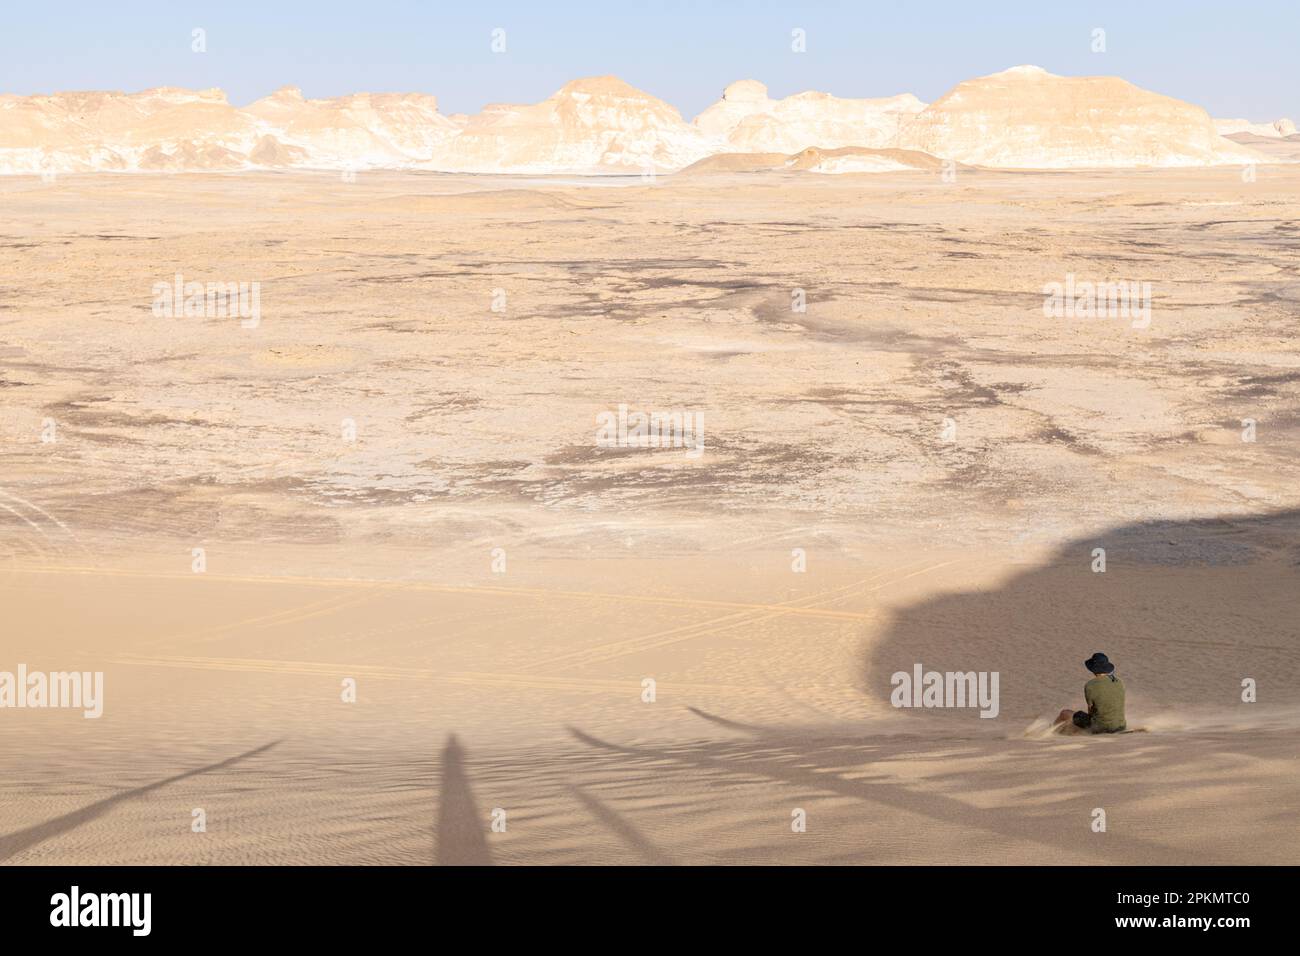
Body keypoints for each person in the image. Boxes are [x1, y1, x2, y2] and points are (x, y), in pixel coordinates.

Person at [1055, 652, 1126, 734]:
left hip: (1100, 729)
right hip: (1121, 727)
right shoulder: (1120, 682)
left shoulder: (1090, 685)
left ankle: (1052, 733)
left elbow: (1090, 712)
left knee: (1064, 713)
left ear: (1093, 669)